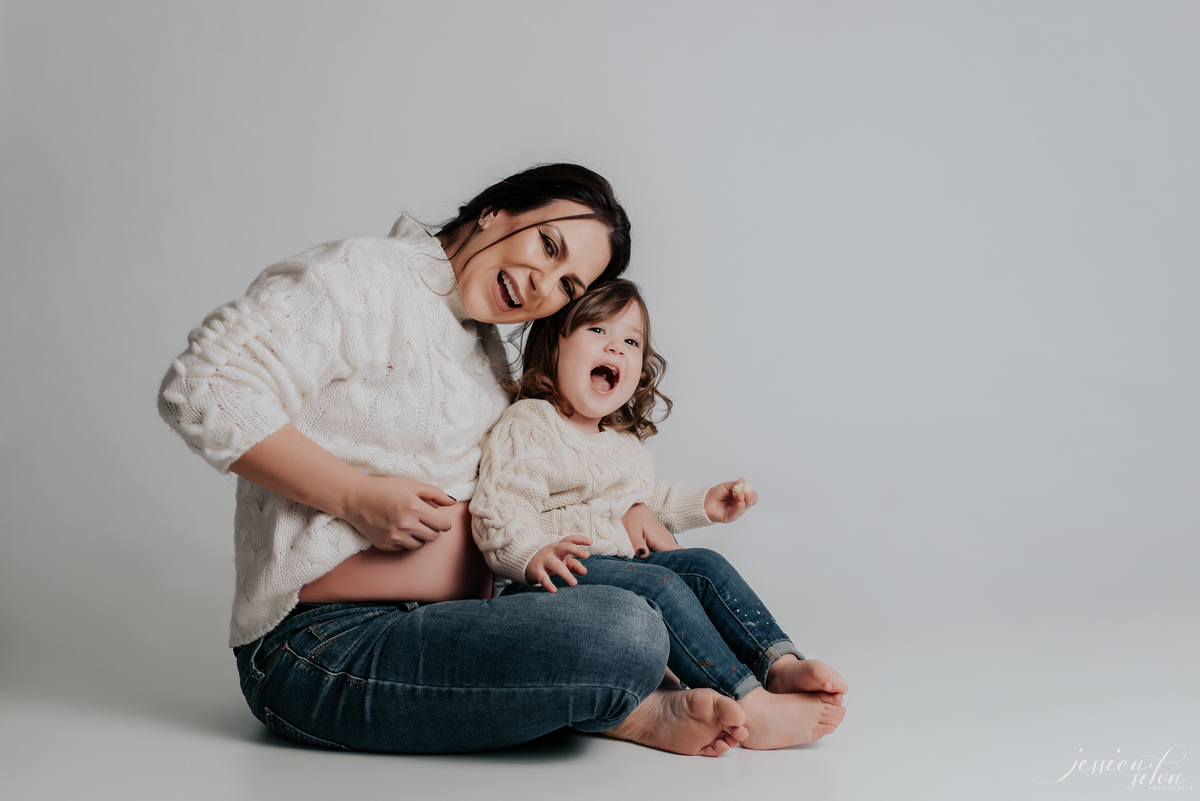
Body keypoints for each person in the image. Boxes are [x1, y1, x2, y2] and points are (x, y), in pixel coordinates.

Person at [157, 164, 747, 755]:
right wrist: (354, 497)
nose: (542, 285)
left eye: (568, 286)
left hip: (456, 621)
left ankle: (614, 698)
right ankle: (623, 705)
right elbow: (205, 386)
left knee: (648, 594)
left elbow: (528, 493)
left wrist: (627, 510)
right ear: (496, 211)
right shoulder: (362, 277)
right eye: (548, 245)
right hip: (323, 644)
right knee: (629, 631)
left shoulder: (482, 345)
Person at [470, 279, 849, 749]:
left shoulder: (623, 443)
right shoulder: (531, 422)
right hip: (551, 580)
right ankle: (748, 701)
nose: (616, 346)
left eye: (631, 341)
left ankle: (777, 664)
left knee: (705, 565)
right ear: (554, 344)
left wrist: (703, 504)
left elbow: (647, 499)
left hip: (616, 568)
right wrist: (531, 554)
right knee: (661, 585)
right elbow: (500, 506)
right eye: (597, 330)